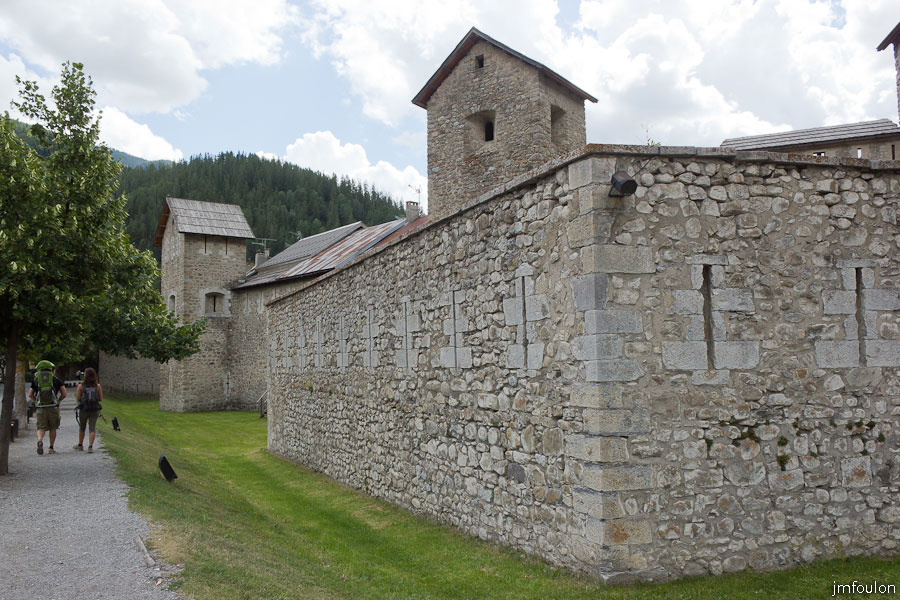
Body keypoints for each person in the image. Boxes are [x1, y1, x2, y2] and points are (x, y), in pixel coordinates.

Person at [29, 360, 66, 455]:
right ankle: (51, 447)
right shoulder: (56, 380)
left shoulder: (36, 380)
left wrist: (36, 401)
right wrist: (58, 401)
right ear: (52, 370)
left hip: (41, 407)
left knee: (41, 427)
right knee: (53, 427)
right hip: (53, 407)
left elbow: (30, 394)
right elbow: (64, 394)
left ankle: (40, 440)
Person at [73, 367, 103, 453]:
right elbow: (100, 398)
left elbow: (78, 399)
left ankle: (80, 445)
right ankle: (90, 446)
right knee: (92, 428)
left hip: (84, 409)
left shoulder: (80, 386)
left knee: (82, 427)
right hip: (94, 409)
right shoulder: (98, 386)